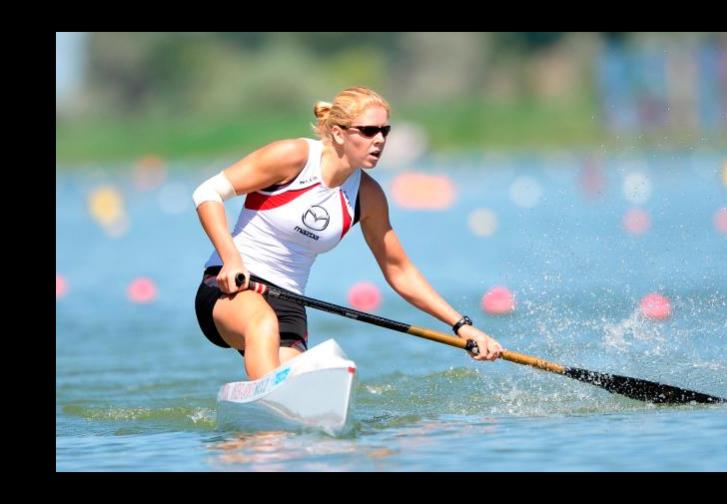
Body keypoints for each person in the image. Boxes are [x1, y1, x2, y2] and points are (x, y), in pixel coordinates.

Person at [193, 86, 504, 380]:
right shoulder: (294, 157)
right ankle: (266, 424)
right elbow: (208, 193)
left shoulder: (368, 196)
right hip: (230, 286)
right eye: (369, 131)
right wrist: (232, 259)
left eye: (385, 131)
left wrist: (462, 325)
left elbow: (399, 271)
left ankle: (253, 432)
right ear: (338, 133)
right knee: (263, 324)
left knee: (311, 383)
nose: (379, 140)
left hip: (289, 304)